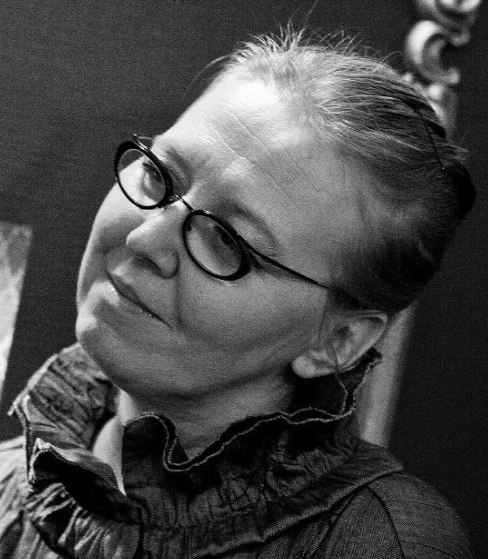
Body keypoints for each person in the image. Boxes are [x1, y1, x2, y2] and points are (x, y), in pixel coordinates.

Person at [0, 29, 476, 558]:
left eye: (228, 241)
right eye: (158, 176)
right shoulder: (11, 478)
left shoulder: (386, 545)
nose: (145, 239)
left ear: (336, 341)